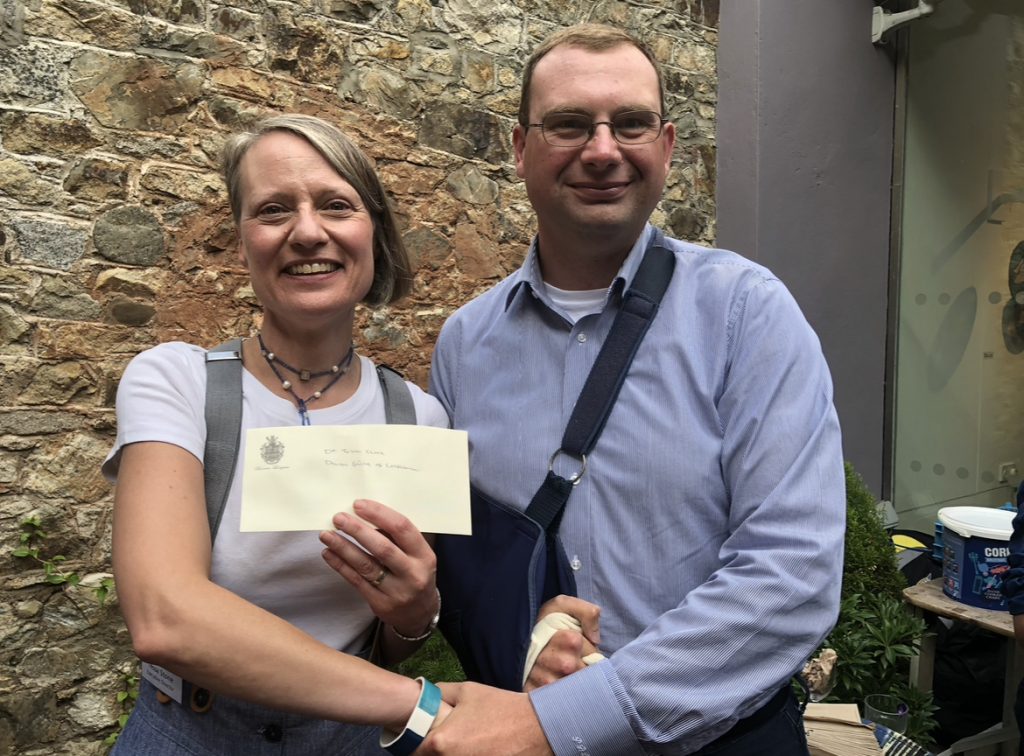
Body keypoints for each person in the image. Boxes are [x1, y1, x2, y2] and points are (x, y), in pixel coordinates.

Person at [424, 23, 846, 756]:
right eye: (568, 124)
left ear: (667, 146)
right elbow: (470, 562)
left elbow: (792, 573)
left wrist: (573, 715)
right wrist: (524, 638)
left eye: (630, 123)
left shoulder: (746, 314)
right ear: (519, 148)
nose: (602, 150)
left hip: (722, 741)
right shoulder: (465, 345)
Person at [104, 114, 451, 754]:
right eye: (273, 210)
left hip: (346, 736)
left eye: (336, 205)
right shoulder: (175, 382)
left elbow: (391, 641)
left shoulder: (419, 418)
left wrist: (411, 616)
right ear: (242, 242)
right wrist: (420, 706)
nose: (308, 231)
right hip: (190, 732)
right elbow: (164, 619)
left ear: (374, 233)